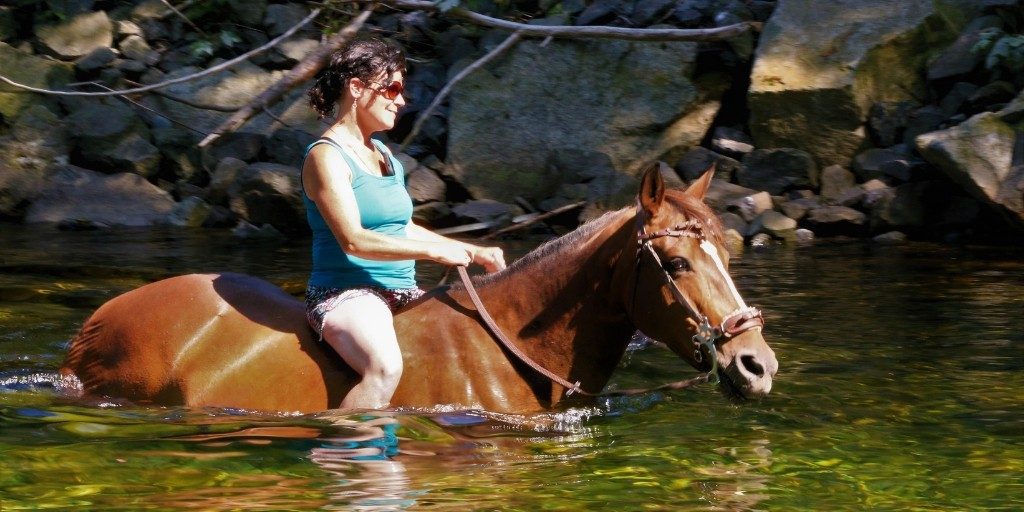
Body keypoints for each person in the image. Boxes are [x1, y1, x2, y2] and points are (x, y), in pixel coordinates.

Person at [303, 37, 506, 409]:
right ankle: (343, 457)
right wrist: (433, 252)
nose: (401, 100)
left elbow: (403, 226)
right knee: (384, 368)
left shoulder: (384, 155)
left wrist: (471, 250)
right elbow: (354, 240)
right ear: (357, 88)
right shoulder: (326, 157)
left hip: (404, 291)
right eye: (393, 88)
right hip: (347, 294)